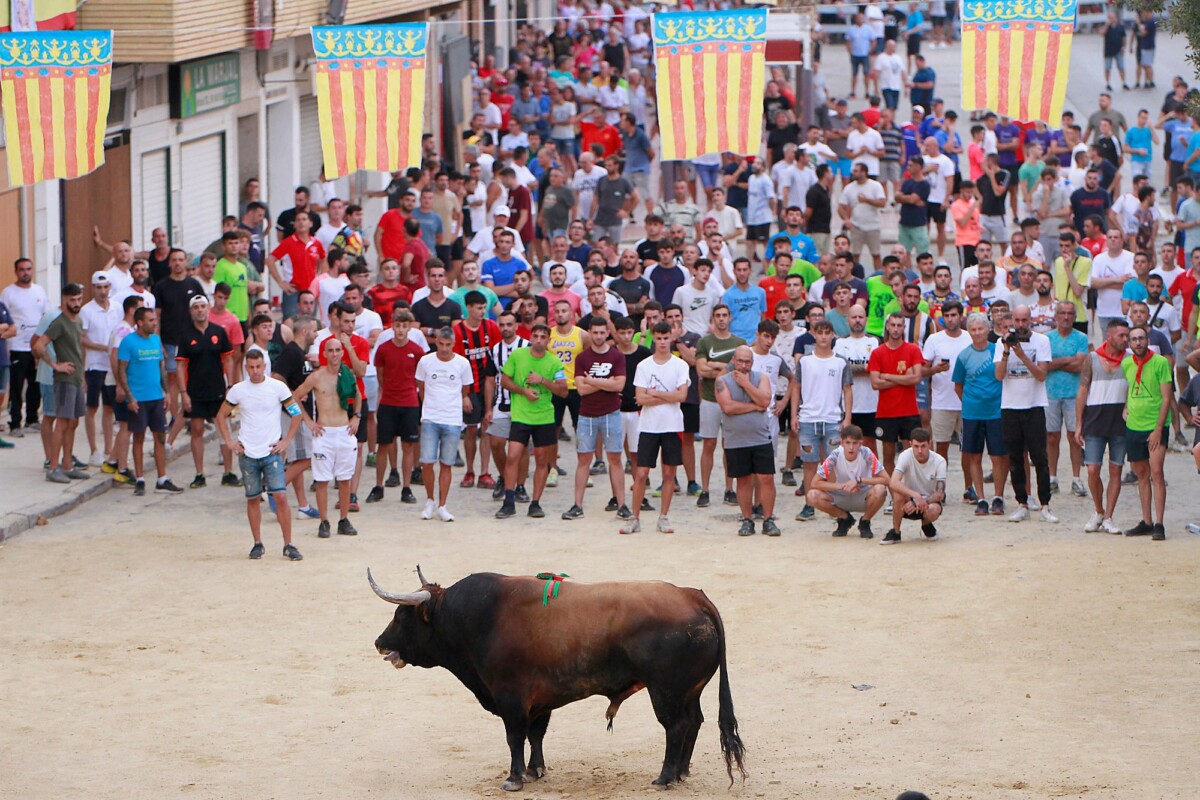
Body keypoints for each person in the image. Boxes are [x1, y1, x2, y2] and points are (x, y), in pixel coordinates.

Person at [216, 350, 302, 560]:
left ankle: (288, 543)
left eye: (258, 367)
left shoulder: (277, 387)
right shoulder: (238, 390)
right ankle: (257, 542)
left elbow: (296, 413)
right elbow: (220, 415)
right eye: (251, 367)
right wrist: (229, 441)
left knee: (280, 496)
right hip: (248, 452)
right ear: (246, 368)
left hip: (271, 450)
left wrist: (286, 441)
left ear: (265, 367)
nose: (255, 371)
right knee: (253, 498)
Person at [290, 337, 362, 538]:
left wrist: (356, 416)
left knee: (345, 479)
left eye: (338, 350)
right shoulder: (316, 376)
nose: (335, 354)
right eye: (331, 350)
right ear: (325, 353)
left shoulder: (347, 374)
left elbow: (357, 395)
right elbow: (294, 397)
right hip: (324, 433)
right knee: (322, 480)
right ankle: (324, 521)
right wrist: (308, 421)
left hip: (344, 430)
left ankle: (343, 519)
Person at [623, 322, 690, 534]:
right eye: (658, 338)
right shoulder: (644, 366)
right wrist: (666, 396)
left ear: (671, 337)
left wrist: (655, 394)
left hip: (671, 425)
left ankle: (664, 516)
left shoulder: (680, 366)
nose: (662, 342)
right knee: (641, 473)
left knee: (669, 473)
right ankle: (635, 517)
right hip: (649, 426)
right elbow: (640, 398)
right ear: (654, 338)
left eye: (665, 338)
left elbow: (681, 396)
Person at [993, 304, 1057, 523]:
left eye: (1024, 321)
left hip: (1034, 405)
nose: (1020, 326)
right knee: (1015, 458)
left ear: (1031, 320)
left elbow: (1042, 375)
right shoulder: (1001, 344)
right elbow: (999, 376)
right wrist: (1006, 351)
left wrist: (1021, 354)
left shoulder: (1042, 341)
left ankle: (1045, 503)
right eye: (1016, 322)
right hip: (1010, 406)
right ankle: (1022, 502)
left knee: (1040, 457)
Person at [496, 324, 567, 519]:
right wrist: (524, 391)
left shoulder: (554, 362)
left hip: (544, 416)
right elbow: (504, 380)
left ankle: (535, 503)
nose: (538, 340)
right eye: (535, 336)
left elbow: (562, 391)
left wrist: (542, 380)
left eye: (543, 337)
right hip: (520, 414)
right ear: (530, 337)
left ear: (548, 340)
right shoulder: (518, 355)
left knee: (542, 460)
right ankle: (509, 500)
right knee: (513, 456)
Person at [563, 317, 628, 520]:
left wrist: (592, 380)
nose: (599, 336)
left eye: (602, 332)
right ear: (589, 332)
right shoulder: (582, 357)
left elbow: (619, 386)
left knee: (615, 458)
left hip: (611, 413)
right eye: (595, 332)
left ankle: (622, 504)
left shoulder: (617, 356)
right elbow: (581, 390)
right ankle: (577, 505)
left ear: (608, 332)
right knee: (584, 459)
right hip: (587, 414)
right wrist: (605, 382)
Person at [115, 307, 182, 496]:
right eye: (151, 320)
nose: (155, 323)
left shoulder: (155, 340)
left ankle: (162, 478)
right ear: (140, 322)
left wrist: (167, 392)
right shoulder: (128, 342)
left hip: (156, 397)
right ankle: (140, 478)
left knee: (160, 436)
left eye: (155, 319)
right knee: (138, 438)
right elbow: (122, 370)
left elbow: (160, 366)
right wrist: (130, 397)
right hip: (139, 398)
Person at [792, 320, 853, 521]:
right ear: (814, 335)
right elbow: (796, 387)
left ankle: (832, 502)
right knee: (809, 464)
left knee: (833, 463)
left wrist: (848, 417)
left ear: (833, 335)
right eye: (820, 333)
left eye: (828, 332)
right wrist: (794, 415)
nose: (824, 337)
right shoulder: (804, 361)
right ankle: (810, 504)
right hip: (808, 418)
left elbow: (847, 390)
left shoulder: (841, 361)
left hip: (832, 418)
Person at [716, 345, 780, 537]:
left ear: (752, 362)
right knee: (743, 480)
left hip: (760, 437)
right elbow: (727, 407)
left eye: (748, 361)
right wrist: (754, 405)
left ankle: (768, 519)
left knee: (766, 478)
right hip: (736, 439)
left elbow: (766, 401)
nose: (744, 365)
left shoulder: (761, 378)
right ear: (733, 361)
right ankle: (747, 519)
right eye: (740, 361)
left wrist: (746, 384)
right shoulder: (722, 381)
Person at [1074, 318, 1130, 534]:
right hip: (1095, 419)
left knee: (1116, 469)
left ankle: (1109, 516)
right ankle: (1098, 510)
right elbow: (1083, 390)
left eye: (1127, 336)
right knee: (1092, 469)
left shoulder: (1130, 359)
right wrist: (1079, 424)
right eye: (1121, 336)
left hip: (1120, 421)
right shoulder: (1093, 358)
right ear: (1109, 336)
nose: (1125, 340)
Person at [175, 294, 235, 489]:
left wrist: (231, 387)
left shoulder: (219, 331)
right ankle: (199, 473)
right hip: (195, 391)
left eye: (203, 306)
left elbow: (228, 359)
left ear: (208, 308)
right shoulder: (185, 335)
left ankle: (228, 472)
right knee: (197, 430)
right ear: (191, 311)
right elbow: (180, 366)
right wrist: (183, 393)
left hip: (218, 389)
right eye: (196, 307)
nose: (200, 310)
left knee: (224, 431)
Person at [414, 327, 474, 522]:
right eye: (441, 344)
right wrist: (429, 406)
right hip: (431, 418)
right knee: (427, 462)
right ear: (436, 342)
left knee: (447, 464)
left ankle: (442, 505)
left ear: (454, 344)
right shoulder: (426, 361)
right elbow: (421, 385)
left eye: (448, 345)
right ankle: (430, 500)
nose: (444, 349)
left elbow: (465, 388)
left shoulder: (462, 364)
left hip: (452, 419)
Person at [953, 312, 1010, 515]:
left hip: (996, 412)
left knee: (998, 456)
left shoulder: (997, 351)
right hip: (972, 414)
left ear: (988, 329)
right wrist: (970, 403)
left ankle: (998, 497)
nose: (977, 333)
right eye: (973, 329)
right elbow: (958, 385)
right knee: (974, 456)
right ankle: (981, 498)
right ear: (969, 331)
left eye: (980, 329)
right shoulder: (964, 356)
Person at [1121, 325, 1173, 540]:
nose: (1138, 342)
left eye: (1141, 338)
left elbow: (1167, 397)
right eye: (1134, 339)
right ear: (1129, 343)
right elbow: (1130, 386)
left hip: (1154, 425)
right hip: (1134, 424)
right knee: (1141, 475)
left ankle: (1159, 523)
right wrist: (1126, 406)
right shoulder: (1126, 364)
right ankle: (1146, 520)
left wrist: (1158, 429)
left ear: (1147, 340)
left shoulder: (1160, 362)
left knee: (1157, 473)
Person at [368, 309, 424, 506]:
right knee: (384, 445)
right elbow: (381, 376)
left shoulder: (417, 351)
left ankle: (406, 487)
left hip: (409, 402)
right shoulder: (383, 349)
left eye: (404, 326)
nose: (400, 330)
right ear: (392, 326)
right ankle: (379, 485)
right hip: (389, 402)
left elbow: (419, 377)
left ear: (409, 327)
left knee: (408, 446)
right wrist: (387, 393)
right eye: (397, 325)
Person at [270, 315, 322, 520]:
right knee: (306, 457)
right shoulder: (292, 352)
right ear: (304, 332)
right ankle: (273, 489)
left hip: (299, 413)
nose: (316, 334)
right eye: (314, 330)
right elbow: (276, 378)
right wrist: (295, 404)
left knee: (297, 459)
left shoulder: (301, 354)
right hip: (295, 414)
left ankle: (303, 506)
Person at [36, 284, 89, 483]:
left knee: (73, 422)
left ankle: (68, 464)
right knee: (62, 422)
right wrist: (54, 365)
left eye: (79, 299)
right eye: (72, 300)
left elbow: (78, 348)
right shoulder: (59, 322)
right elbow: (39, 344)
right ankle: (53, 466)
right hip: (64, 380)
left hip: (75, 378)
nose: (76, 303)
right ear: (64, 300)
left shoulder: (78, 320)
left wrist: (82, 376)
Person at [695, 305, 746, 507]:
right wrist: (726, 368)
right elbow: (701, 369)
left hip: (733, 400)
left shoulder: (739, 343)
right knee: (709, 444)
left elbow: (742, 370)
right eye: (718, 316)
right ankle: (705, 489)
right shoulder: (705, 341)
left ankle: (729, 489)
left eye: (725, 315)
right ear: (713, 319)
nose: (722, 319)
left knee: (730, 446)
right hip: (709, 399)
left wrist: (714, 365)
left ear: (730, 317)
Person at [806, 423, 888, 538]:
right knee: (812, 495)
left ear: (861, 443)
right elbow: (814, 483)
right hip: (841, 495)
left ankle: (865, 521)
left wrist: (858, 480)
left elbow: (886, 479)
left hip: (862, 494)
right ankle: (844, 518)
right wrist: (842, 486)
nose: (851, 447)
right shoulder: (835, 455)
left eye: (855, 443)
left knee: (880, 490)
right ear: (842, 443)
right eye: (848, 443)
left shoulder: (866, 453)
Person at [869, 313, 924, 477]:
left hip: (909, 410)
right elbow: (875, 383)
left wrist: (888, 376)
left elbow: (916, 378)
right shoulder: (878, 352)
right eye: (892, 325)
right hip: (887, 411)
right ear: (887, 326)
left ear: (904, 328)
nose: (895, 329)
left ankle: (910, 490)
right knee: (888, 454)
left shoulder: (912, 349)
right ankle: (894, 491)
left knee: (912, 454)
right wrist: (903, 379)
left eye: (899, 325)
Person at [1044, 301, 1090, 498]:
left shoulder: (1081, 338)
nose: (1066, 317)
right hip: (1050, 392)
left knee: (1074, 436)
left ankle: (1076, 478)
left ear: (1074, 316)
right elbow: (1044, 365)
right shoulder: (1046, 338)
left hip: (1074, 393)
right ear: (1056, 315)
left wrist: (1056, 362)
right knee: (1051, 437)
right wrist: (1068, 361)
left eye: (1070, 313)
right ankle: (1052, 477)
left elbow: (1080, 365)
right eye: (1062, 313)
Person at [3, 257, 50, 435]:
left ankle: (32, 419)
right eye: (22, 269)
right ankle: (15, 423)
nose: (26, 272)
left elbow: (47, 315)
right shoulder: (8, 293)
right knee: (16, 386)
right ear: (16, 272)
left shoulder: (39, 291)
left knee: (35, 384)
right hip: (17, 346)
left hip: (36, 347)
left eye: (29, 269)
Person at [487, 311, 530, 502]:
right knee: (496, 443)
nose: (505, 328)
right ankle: (505, 477)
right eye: (502, 324)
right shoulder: (495, 349)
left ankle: (519, 485)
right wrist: (488, 408)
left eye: (509, 324)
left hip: (523, 404)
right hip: (501, 403)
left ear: (516, 326)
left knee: (521, 448)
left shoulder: (527, 347)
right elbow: (490, 380)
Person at [882, 427, 946, 544]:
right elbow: (893, 482)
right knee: (898, 494)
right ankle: (896, 531)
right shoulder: (905, 456)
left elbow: (940, 494)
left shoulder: (939, 461)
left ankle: (926, 525)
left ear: (929, 444)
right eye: (916, 446)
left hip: (928, 502)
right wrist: (914, 496)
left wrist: (920, 501)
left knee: (934, 510)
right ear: (910, 444)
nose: (920, 451)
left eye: (923, 446)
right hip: (908, 499)